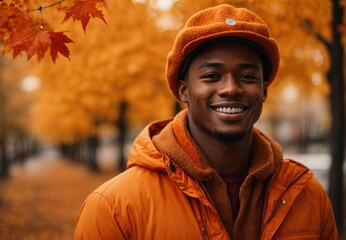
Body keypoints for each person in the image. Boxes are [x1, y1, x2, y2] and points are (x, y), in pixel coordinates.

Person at [74, 4, 338, 240]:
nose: (231, 88)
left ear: (264, 90)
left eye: (247, 76)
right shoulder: (113, 208)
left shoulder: (309, 197)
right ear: (183, 90)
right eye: (212, 75)